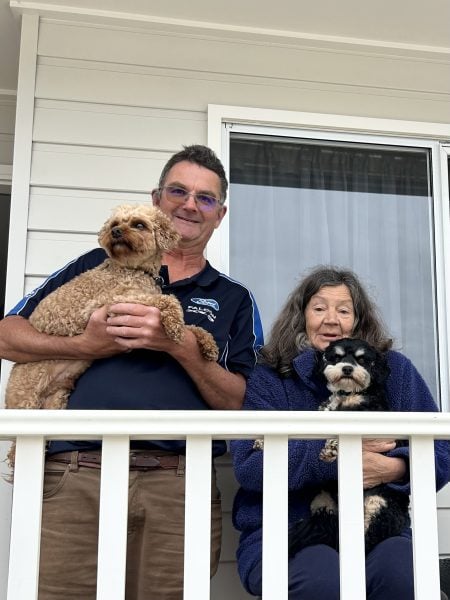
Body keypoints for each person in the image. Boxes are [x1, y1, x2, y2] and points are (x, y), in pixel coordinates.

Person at [0, 145, 263, 600]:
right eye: (178, 191)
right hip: (76, 471)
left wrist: (179, 346)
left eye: (205, 198)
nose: (189, 204)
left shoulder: (234, 298)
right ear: (156, 199)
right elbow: (7, 336)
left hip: (180, 481)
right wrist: (85, 345)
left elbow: (242, 402)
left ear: (219, 215)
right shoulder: (94, 265)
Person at [230, 266, 450, 600]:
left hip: (375, 525)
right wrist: (337, 461)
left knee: (404, 577)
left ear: (358, 320)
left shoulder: (395, 372)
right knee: (321, 581)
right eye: (319, 308)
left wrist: (397, 467)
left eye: (343, 311)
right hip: (288, 527)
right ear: (301, 316)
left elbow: (441, 452)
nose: (331, 320)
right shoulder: (271, 377)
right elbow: (249, 465)